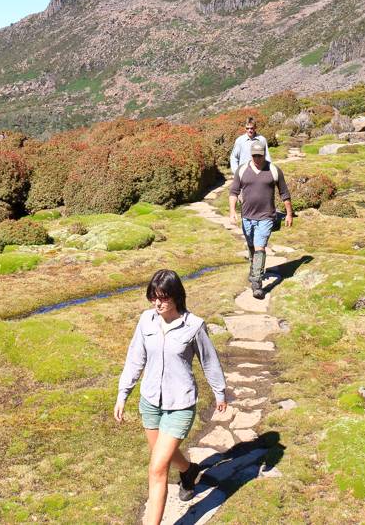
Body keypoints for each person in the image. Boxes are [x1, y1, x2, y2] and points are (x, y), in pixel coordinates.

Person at [114, 269, 228, 522]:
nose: (158, 303)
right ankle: (189, 471)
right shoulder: (146, 321)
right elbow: (135, 359)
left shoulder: (194, 326)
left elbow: (209, 361)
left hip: (180, 405)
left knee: (157, 468)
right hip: (150, 402)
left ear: (177, 296)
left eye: (163, 297)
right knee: (161, 456)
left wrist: (219, 392)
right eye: (153, 297)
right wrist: (123, 394)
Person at [228, 139, 293, 300]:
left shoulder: (273, 170)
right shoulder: (242, 170)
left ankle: (257, 284)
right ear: (251, 155)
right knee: (251, 245)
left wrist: (289, 214)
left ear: (264, 154)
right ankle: (254, 269)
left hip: (266, 217)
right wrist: (232, 212)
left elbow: (284, 193)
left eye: (260, 156)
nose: (257, 159)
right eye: (254, 156)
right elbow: (234, 192)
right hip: (247, 217)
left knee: (260, 247)